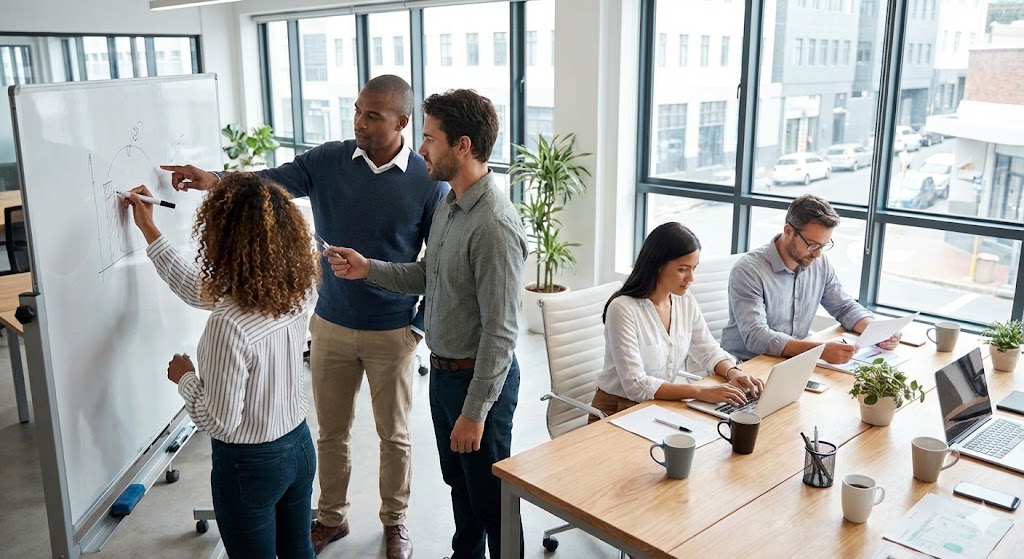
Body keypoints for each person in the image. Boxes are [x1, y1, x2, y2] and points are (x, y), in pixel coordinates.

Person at [159, 75, 446, 559]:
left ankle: (394, 522)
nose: (358, 121)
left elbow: (436, 265)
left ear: (402, 121)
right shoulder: (329, 159)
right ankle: (332, 517)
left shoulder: (427, 181)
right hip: (330, 322)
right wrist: (213, 179)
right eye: (356, 110)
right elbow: (269, 182)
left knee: (393, 436)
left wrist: (417, 326)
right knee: (330, 433)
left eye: (371, 115)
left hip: (392, 330)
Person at [326, 89, 528, 559]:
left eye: (429, 138)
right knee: (460, 487)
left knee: (494, 502)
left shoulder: (494, 226)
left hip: (479, 382)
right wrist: (367, 267)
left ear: (461, 145)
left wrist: (475, 411)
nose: (420, 149)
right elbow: (427, 276)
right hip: (443, 372)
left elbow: (501, 333)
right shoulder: (450, 206)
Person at [122, 176, 319, 559]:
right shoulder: (297, 289)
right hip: (298, 446)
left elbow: (220, 422)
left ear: (223, 240)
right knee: (299, 551)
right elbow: (197, 289)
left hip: (250, 465)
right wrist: (148, 228)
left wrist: (186, 379)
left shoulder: (229, 323)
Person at [591, 222, 765, 420]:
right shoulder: (623, 308)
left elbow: (708, 351)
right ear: (657, 265)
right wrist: (700, 392)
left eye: (694, 268)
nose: (691, 278)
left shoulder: (684, 299)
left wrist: (733, 372)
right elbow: (635, 385)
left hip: (660, 405)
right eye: (683, 269)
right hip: (618, 410)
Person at [721, 194, 901, 365]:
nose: (817, 254)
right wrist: (820, 351)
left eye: (823, 245)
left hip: (793, 362)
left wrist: (877, 331)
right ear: (788, 231)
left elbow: (844, 307)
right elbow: (756, 336)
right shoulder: (748, 270)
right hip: (746, 366)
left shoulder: (819, 263)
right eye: (812, 244)